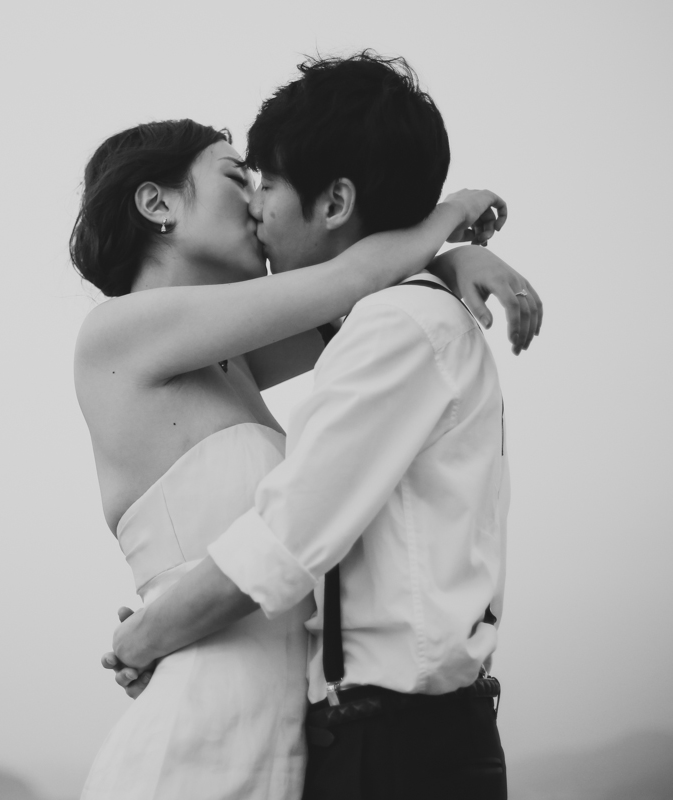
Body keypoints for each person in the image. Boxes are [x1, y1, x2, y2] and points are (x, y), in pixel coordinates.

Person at [74, 53, 539, 800]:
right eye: (236, 178)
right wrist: (452, 220)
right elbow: (350, 281)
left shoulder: (233, 365)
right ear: (158, 205)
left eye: (264, 182)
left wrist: (449, 269)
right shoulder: (116, 335)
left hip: (288, 740)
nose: (257, 202)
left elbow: (367, 294)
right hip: (200, 730)